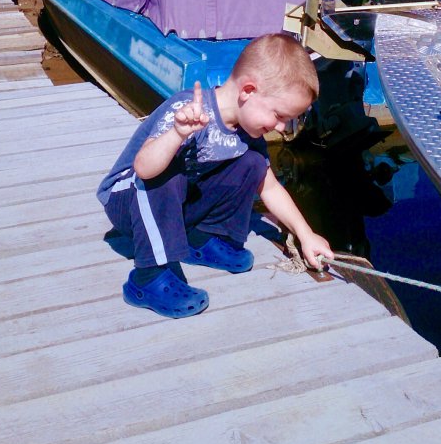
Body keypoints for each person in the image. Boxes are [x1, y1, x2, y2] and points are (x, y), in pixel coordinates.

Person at [97, 33, 334, 319]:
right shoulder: (189, 111)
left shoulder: (247, 130)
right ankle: (148, 277)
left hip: (174, 204)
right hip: (128, 200)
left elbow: (270, 188)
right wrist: (177, 134)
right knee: (168, 170)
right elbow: (144, 169)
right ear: (248, 90)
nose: (282, 127)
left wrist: (306, 235)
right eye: (279, 115)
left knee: (253, 163)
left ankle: (201, 238)